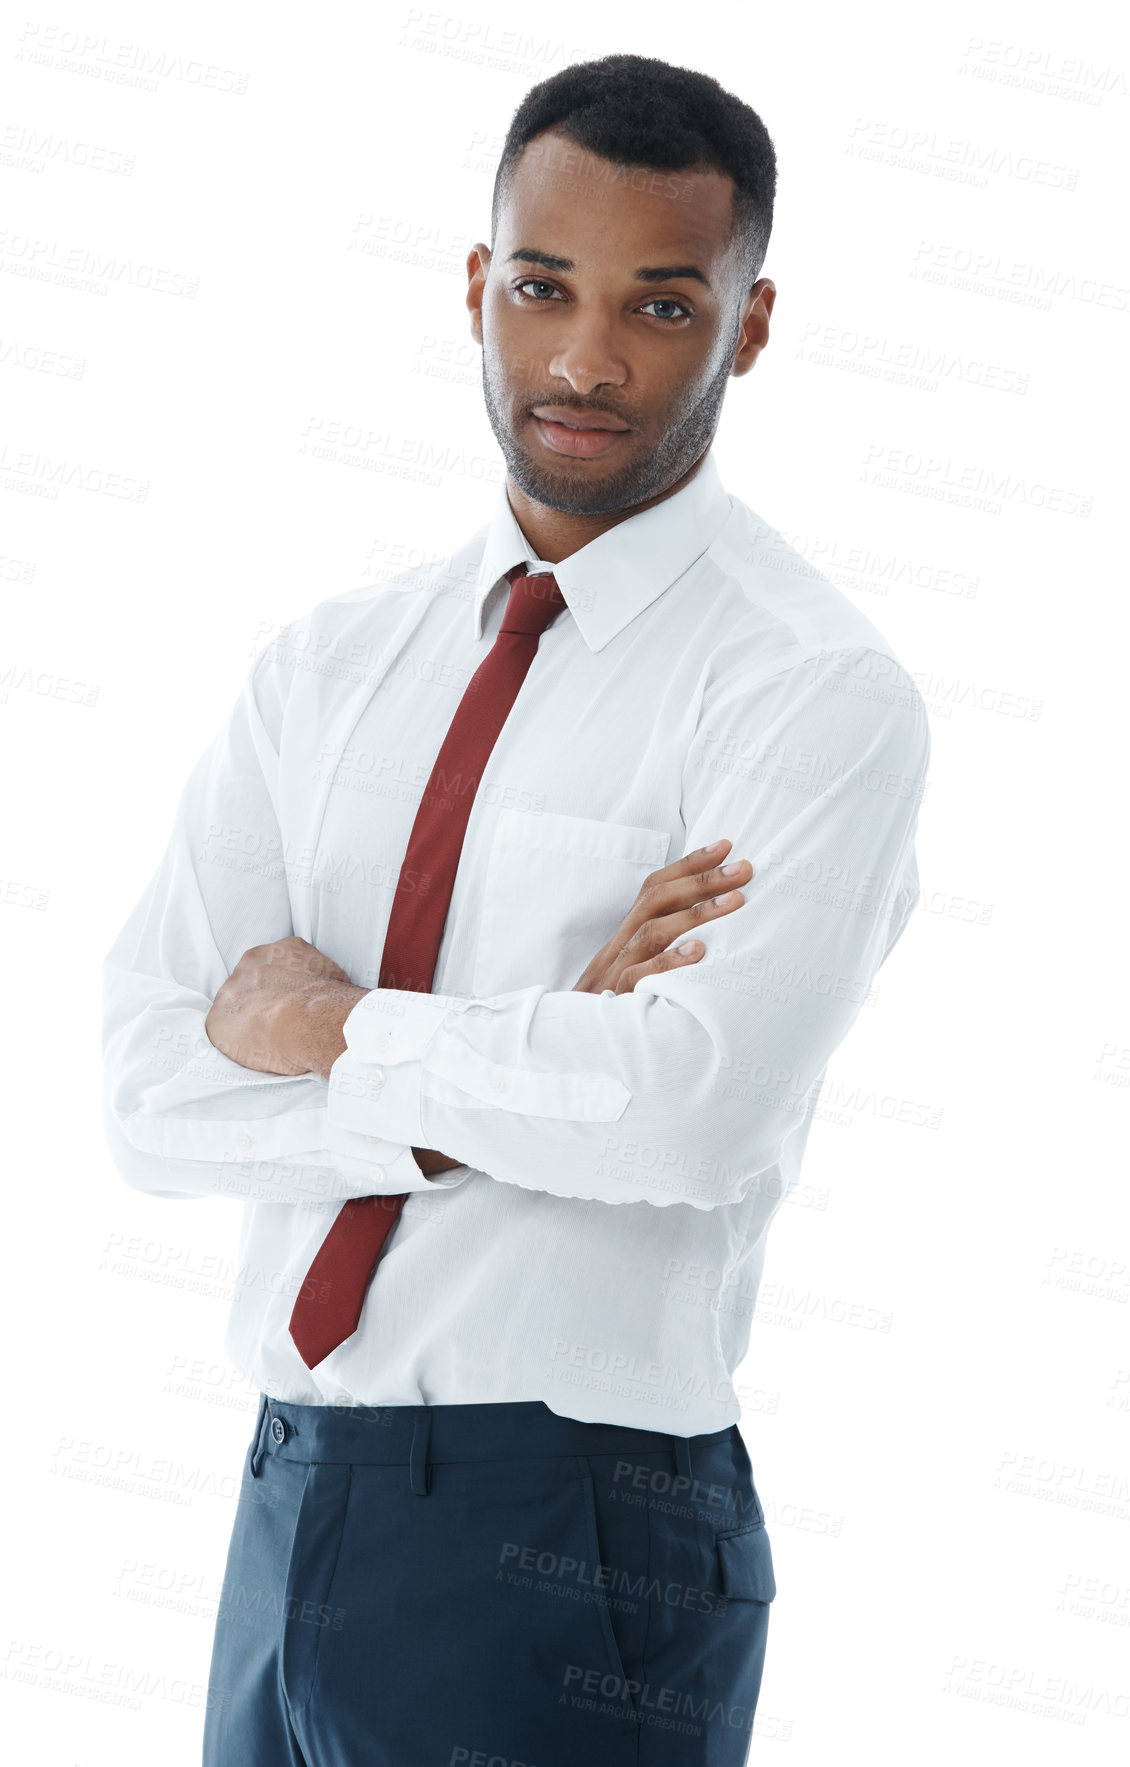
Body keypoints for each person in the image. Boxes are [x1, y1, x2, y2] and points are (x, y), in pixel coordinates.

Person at [102, 53, 930, 1767]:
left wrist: (333, 1035)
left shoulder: (804, 692)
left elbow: (690, 1116)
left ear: (749, 326)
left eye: (658, 304)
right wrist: (541, 1063)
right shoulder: (333, 664)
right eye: (545, 286)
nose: (582, 359)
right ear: (480, 282)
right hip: (289, 1487)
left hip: (579, 1518)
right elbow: (151, 1094)